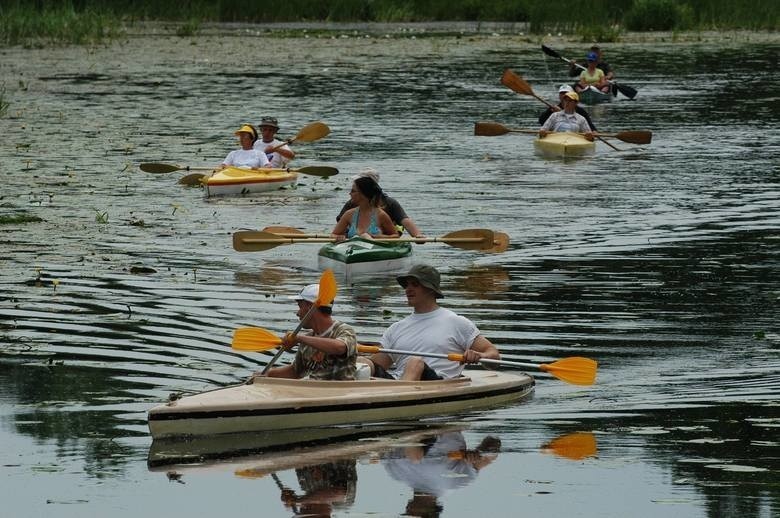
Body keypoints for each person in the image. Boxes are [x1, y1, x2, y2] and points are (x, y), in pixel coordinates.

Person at [360, 264, 500, 381]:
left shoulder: (456, 322)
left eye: (415, 285)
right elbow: (377, 364)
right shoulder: (396, 328)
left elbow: (494, 355)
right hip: (399, 381)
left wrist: (480, 356)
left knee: (415, 362)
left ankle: (398, 402)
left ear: (430, 289)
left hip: (436, 383)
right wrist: (349, 355)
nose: (408, 290)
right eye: (407, 285)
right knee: (362, 363)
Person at [264, 283, 358, 380]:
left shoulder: (344, 330)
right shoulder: (307, 340)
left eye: (300, 307)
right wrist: (268, 373)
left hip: (340, 392)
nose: (297, 313)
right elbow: (295, 371)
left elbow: (340, 347)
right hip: (312, 390)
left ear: (310, 307)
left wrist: (299, 338)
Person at [336, 170, 425, 238]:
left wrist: (417, 235)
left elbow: (405, 221)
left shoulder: (390, 203)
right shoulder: (351, 204)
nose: (350, 193)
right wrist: (341, 236)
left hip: (382, 242)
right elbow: (339, 226)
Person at [331, 175, 400, 241]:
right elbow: (333, 234)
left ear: (363, 194)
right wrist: (339, 237)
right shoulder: (349, 214)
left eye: (353, 191)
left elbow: (395, 236)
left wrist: (380, 237)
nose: (350, 193)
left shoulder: (381, 215)